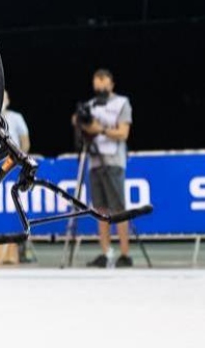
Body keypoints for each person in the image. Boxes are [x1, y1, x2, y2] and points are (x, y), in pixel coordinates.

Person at [78, 69, 133, 268]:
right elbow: (80, 125)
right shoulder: (90, 105)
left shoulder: (121, 103)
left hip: (113, 161)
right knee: (100, 210)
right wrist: (79, 121)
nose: (100, 87)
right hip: (94, 162)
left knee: (118, 210)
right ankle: (106, 253)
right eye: (97, 83)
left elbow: (123, 133)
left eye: (103, 82)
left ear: (111, 84)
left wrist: (99, 129)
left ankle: (125, 254)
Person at [0, 90, 30, 156]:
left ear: (8, 101)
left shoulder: (16, 117)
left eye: (3, 98)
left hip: (11, 160)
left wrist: (19, 158)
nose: (0, 101)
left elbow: (25, 143)